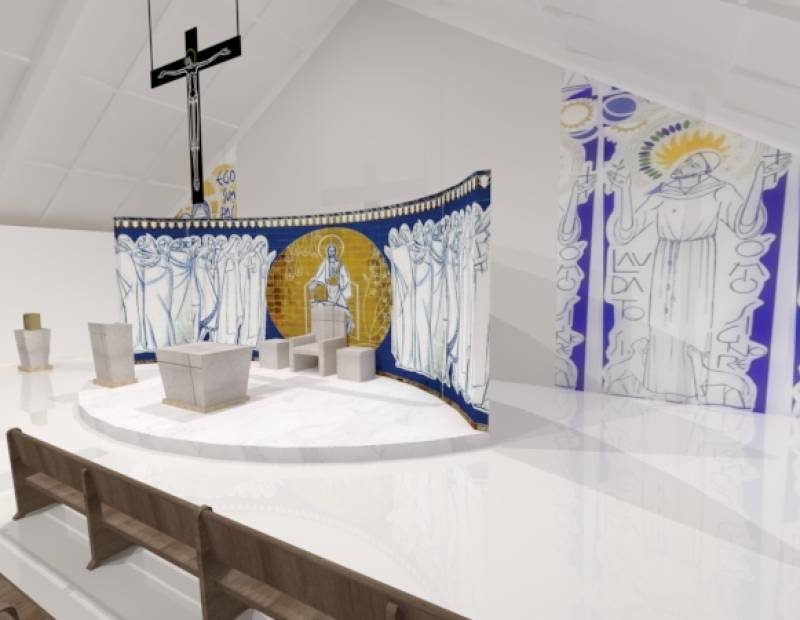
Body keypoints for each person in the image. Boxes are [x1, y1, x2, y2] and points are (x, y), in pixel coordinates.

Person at [608, 149, 789, 400]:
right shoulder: (661, 196)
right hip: (664, 262)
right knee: (662, 322)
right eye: (682, 160)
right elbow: (627, 231)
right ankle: (658, 383)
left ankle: (693, 385)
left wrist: (758, 179)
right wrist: (624, 189)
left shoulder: (719, 191)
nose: (683, 165)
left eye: (692, 162)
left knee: (691, 323)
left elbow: (745, 226)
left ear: (704, 168)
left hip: (698, 261)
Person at [308, 242, 353, 332]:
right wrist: (315, 280)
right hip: (328, 289)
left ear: (335, 252)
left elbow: (344, 275)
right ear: (328, 252)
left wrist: (343, 283)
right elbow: (319, 273)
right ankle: (329, 328)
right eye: (330, 251)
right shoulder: (325, 263)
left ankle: (347, 324)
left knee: (343, 307)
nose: (332, 252)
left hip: (337, 288)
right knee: (327, 308)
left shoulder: (339, 263)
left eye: (333, 251)